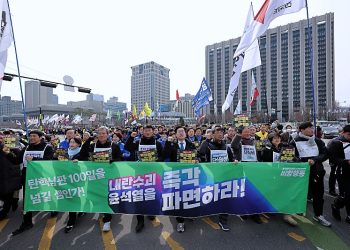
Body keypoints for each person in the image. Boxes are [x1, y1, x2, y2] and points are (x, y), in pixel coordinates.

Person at [5, 130, 54, 235]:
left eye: (34, 136)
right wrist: (8, 153)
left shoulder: (47, 148)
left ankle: (53, 209)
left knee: (45, 195)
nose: (31, 138)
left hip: (42, 179)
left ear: (41, 137)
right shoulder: (26, 147)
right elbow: (16, 160)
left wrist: (34, 159)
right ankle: (27, 223)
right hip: (27, 178)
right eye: (30, 136)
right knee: (27, 201)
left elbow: (49, 162)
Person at [80, 126, 122, 232]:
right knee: (95, 196)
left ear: (107, 134)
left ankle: (107, 220)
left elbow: (120, 159)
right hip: (95, 176)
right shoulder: (92, 145)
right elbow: (82, 156)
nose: (101, 135)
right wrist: (88, 139)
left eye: (103, 133)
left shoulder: (114, 146)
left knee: (107, 198)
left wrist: (112, 161)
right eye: (99, 133)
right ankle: (101, 211)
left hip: (109, 176)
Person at [290, 122, 331, 227]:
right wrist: (300, 161)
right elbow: (290, 155)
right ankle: (298, 209)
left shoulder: (317, 141)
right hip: (301, 171)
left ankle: (318, 215)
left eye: (312, 128)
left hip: (316, 171)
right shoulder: (295, 141)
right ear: (301, 130)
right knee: (299, 192)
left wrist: (315, 159)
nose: (312, 130)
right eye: (309, 128)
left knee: (318, 193)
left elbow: (325, 154)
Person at [125, 124, 163, 233]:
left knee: (153, 194)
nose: (147, 132)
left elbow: (162, 156)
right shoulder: (138, 142)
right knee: (139, 196)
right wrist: (131, 137)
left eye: (149, 130)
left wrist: (155, 160)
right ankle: (140, 220)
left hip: (153, 173)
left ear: (153, 132)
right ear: (142, 132)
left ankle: (151, 212)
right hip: (140, 174)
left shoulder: (158, 143)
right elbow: (128, 147)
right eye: (145, 130)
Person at [199, 125, 235, 231]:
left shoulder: (226, 147)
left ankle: (223, 220)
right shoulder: (207, 145)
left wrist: (234, 161)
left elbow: (232, 159)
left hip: (224, 177)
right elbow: (199, 155)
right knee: (211, 196)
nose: (220, 134)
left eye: (221, 133)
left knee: (224, 198)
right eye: (217, 132)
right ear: (213, 134)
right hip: (211, 177)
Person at [162, 126, 197, 233]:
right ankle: (180, 222)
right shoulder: (172, 144)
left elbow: (197, 155)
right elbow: (165, 156)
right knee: (178, 197)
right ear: (176, 134)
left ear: (186, 134)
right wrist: (168, 143)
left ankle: (189, 213)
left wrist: (197, 160)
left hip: (189, 175)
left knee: (190, 195)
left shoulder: (191, 144)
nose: (181, 133)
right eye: (179, 132)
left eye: (183, 131)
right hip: (176, 175)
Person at [261, 132, 298, 226]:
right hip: (271, 174)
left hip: (283, 173)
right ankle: (270, 209)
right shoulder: (266, 149)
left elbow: (293, 158)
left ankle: (287, 214)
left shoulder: (286, 147)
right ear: (270, 140)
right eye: (274, 138)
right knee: (272, 191)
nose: (277, 140)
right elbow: (265, 160)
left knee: (285, 191)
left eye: (278, 138)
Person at [231, 126, 263, 224]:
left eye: (249, 131)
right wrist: (238, 135)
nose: (248, 133)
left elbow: (260, 152)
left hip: (253, 169)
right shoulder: (238, 141)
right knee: (242, 191)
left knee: (254, 191)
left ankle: (255, 213)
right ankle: (243, 211)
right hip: (242, 169)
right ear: (241, 133)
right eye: (245, 132)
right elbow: (233, 145)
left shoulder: (255, 141)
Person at [328, 124, 350, 223]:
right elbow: (333, 159)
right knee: (346, 195)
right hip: (343, 172)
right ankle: (337, 205)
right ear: (344, 133)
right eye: (349, 134)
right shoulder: (336, 143)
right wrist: (346, 162)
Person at [64, 137, 85, 233]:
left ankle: (79, 210)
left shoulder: (81, 153)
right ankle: (71, 220)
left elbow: (87, 163)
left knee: (77, 195)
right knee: (70, 197)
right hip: (67, 178)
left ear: (78, 144)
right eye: (70, 142)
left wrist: (79, 162)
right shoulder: (64, 152)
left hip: (78, 178)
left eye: (74, 142)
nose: (71, 144)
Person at [0, 133, 22, 220]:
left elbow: (18, 158)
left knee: (8, 195)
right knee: (5, 195)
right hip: (4, 175)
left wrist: (11, 149)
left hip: (10, 175)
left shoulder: (12, 147)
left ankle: (5, 212)